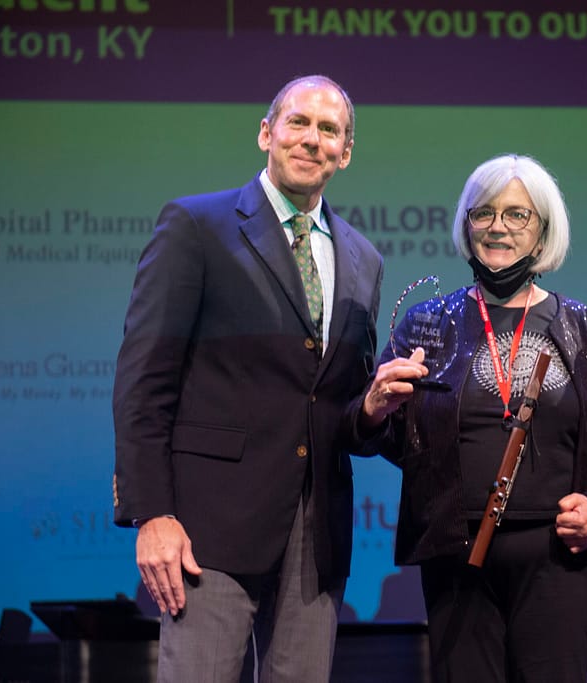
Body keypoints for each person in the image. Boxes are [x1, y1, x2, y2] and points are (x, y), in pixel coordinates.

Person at [111, 74, 385, 682]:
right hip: (208, 529)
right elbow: (143, 380)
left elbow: (337, 404)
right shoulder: (196, 226)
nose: (312, 140)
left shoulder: (364, 257)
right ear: (267, 132)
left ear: (345, 153)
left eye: (329, 130)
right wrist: (151, 512)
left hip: (317, 537)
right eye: (298, 122)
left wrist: (374, 408)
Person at [350, 153, 587, 682]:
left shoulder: (583, 329)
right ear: (467, 225)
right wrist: (374, 411)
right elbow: (396, 439)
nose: (498, 227)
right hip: (455, 552)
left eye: (517, 214)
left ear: (543, 231)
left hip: (559, 555)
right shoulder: (426, 324)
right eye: (483, 213)